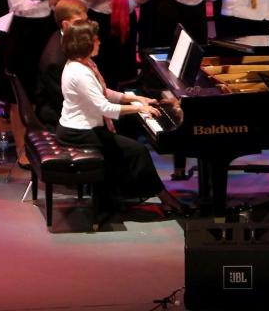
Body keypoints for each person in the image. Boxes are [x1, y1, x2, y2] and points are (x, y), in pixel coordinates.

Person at [57, 20, 188, 217]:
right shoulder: (80, 73)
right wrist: (138, 108)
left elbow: (104, 92)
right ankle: (165, 198)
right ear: (85, 44)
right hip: (78, 132)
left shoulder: (85, 64)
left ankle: (126, 196)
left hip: (86, 127)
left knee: (131, 146)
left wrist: (135, 98)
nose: (99, 42)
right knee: (138, 150)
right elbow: (105, 108)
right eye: (95, 39)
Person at [0, 0, 63, 167]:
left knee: (46, 89)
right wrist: (48, 2)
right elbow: (19, 6)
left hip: (47, 28)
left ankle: (46, 144)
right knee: (21, 95)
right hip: (23, 33)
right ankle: (21, 149)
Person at [36, 0, 89, 127]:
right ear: (65, 25)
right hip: (60, 118)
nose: (86, 26)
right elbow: (66, 100)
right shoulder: (55, 60)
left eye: (86, 21)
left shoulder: (66, 38)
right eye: (80, 22)